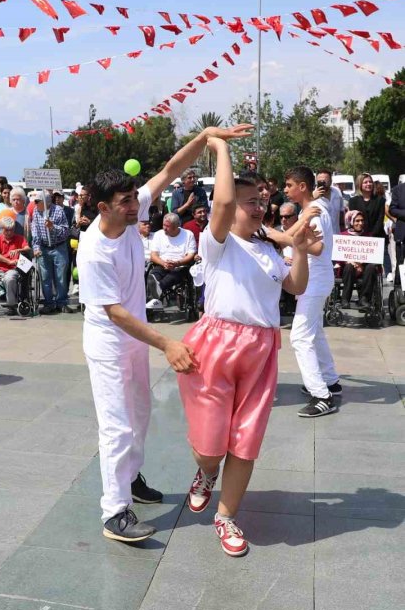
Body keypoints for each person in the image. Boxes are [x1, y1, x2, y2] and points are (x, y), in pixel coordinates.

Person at [76, 122, 252, 543]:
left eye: (133, 197)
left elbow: (172, 169)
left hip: (134, 342)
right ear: (103, 208)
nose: (135, 205)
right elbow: (114, 311)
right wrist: (167, 343)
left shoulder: (133, 205)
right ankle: (114, 512)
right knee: (116, 425)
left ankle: (130, 477)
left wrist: (206, 137)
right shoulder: (93, 249)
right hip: (109, 344)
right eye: (124, 202)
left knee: (140, 417)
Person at [178, 137, 316, 557]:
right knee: (209, 446)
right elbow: (218, 207)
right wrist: (219, 149)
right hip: (217, 346)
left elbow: (295, 285)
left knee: (245, 441)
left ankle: (226, 517)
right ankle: (205, 472)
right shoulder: (218, 244)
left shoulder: (267, 250)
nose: (257, 207)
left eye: (260, 200)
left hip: (261, 350)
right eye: (247, 201)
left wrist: (301, 250)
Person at [284, 166, 341, 418]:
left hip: (314, 280)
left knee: (299, 337)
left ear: (302, 187)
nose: (285, 190)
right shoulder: (310, 210)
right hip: (315, 278)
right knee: (314, 332)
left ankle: (321, 396)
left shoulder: (314, 213)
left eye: (289, 185)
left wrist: (296, 241)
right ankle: (330, 380)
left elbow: (317, 248)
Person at [30, 193, 72, 314]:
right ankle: (49, 303)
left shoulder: (58, 211)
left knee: (61, 277)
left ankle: (62, 302)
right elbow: (35, 230)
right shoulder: (36, 211)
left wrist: (52, 227)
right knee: (45, 277)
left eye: (38, 201)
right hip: (43, 247)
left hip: (59, 247)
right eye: (35, 202)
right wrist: (36, 247)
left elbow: (65, 231)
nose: (35, 204)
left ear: (47, 202)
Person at [0, 216, 32, 315]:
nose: (9, 232)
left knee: (10, 279)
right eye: (6, 230)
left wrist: (18, 250)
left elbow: (28, 249)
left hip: (12, 269)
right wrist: (8, 261)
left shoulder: (20, 238)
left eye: (11, 230)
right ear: (1, 229)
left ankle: (11, 304)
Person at [337, 211, 380, 309]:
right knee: (349, 267)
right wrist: (351, 262)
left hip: (364, 269)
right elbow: (339, 256)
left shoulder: (368, 236)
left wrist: (361, 263)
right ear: (351, 222)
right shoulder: (343, 236)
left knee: (372, 267)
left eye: (362, 220)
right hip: (348, 269)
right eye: (357, 221)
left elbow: (373, 256)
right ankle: (345, 299)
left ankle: (364, 299)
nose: (360, 223)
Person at [149, 213, 197, 296]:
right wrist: (163, 263)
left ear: (176, 226)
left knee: (173, 275)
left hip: (181, 266)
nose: (164, 228)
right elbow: (153, 255)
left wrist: (177, 263)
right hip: (162, 264)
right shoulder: (158, 234)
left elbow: (191, 254)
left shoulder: (188, 234)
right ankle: (155, 294)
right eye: (163, 225)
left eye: (167, 226)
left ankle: (158, 289)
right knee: (153, 275)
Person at [348, 173, 385, 240]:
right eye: (365, 182)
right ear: (360, 184)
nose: (368, 184)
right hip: (359, 238)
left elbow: (380, 220)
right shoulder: (353, 201)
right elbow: (353, 221)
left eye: (370, 182)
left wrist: (371, 236)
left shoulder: (380, 200)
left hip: (377, 237)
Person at [315, 169, 345, 234]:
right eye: (320, 181)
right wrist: (313, 198)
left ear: (331, 181)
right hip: (321, 238)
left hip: (336, 235)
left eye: (325, 181)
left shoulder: (337, 192)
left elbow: (341, 211)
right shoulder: (311, 196)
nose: (322, 183)